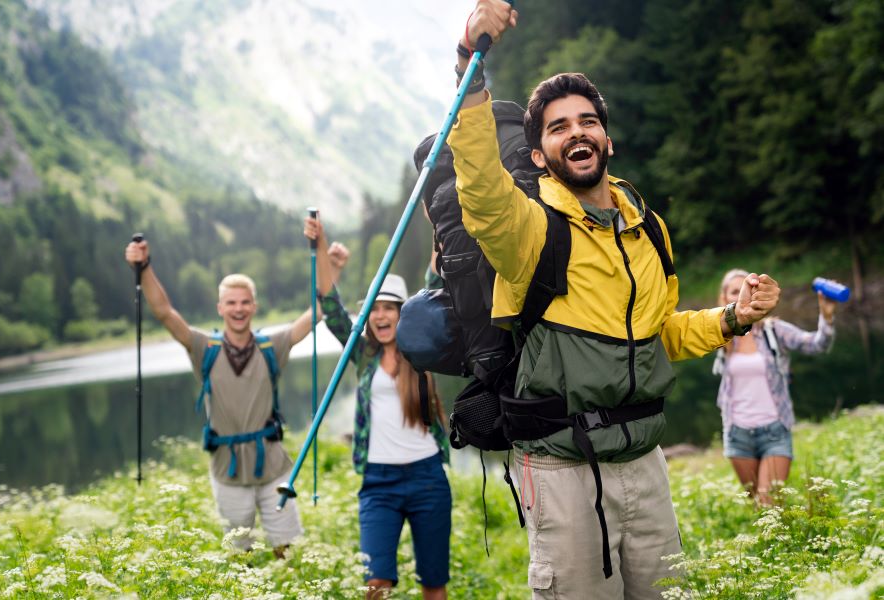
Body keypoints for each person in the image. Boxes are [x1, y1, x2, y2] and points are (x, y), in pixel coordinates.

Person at [447, 2, 782, 597]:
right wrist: (470, 66)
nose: (576, 131)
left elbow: (660, 335)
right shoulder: (529, 231)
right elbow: (481, 191)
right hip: (561, 470)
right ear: (537, 155)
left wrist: (733, 318)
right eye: (557, 127)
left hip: (646, 465)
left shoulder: (646, 226)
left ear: (607, 137)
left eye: (586, 121)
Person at [123, 238, 346, 558]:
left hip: (273, 467)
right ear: (220, 308)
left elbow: (316, 315)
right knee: (240, 557)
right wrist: (143, 269)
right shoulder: (204, 348)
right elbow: (164, 313)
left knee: (289, 551)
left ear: (254, 306)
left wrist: (332, 268)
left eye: (244, 302)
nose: (238, 309)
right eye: (231, 303)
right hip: (226, 471)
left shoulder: (272, 345)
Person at [303, 215, 451, 600]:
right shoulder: (362, 354)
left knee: (433, 583)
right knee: (375, 583)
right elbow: (330, 305)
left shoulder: (422, 347)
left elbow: (435, 279)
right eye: (374, 308)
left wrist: (439, 213)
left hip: (427, 477)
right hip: (378, 483)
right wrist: (320, 244)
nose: (381, 315)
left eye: (389, 307)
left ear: (404, 313)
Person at [713, 269, 836, 505]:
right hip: (737, 434)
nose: (741, 297)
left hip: (774, 431)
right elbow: (684, 335)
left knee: (769, 505)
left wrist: (827, 317)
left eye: (747, 290)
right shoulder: (720, 333)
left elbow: (817, 345)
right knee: (758, 507)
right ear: (723, 298)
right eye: (734, 292)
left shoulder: (773, 330)